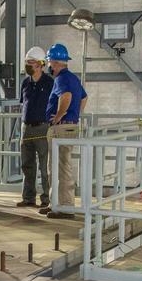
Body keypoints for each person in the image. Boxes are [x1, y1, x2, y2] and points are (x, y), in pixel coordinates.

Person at [44, 42, 88, 218]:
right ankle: (55, 203)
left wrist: (59, 117)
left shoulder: (62, 79)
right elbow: (84, 98)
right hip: (70, 125)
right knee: (57, 167)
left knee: (60, 168)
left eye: (49, 62)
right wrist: (74, 115)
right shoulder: (73, 78)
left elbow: (66, 96)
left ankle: (65, 207)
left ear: (54, 62)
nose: (49, 65)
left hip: (61, 128)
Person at [17, 47, 52, 209]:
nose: (28, 65)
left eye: (31, 63)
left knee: (45, 166)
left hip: (43, 128)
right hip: (27, 128)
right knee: (27, 164)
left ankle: (47, 199)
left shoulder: (50, 82)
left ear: (40, 64)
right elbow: (23, 104)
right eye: (27, 63)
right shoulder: (25, 82)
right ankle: (28, 197)